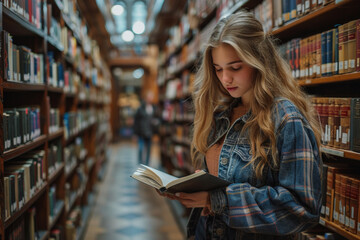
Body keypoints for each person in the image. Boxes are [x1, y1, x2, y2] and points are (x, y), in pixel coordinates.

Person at [161, 10, 323, 239]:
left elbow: (301, 209)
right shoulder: (220, 115)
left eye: (235, 67)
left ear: (259, 61)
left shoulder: (286, 119)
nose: (225, 78)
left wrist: (217, 198)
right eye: (218, 69)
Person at [133, 92, 159, 166]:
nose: (150, 99)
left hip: (149, 132)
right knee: (141, 148)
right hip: (141, 132)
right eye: (149, 98)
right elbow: (136, 121)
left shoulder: (154, 107)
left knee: (149, 149)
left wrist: (156, 122)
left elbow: (157, 117)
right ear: (146, 98)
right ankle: (140, 163)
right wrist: (135, 133)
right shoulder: (140, 108)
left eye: (151, 98)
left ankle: (147, 164)